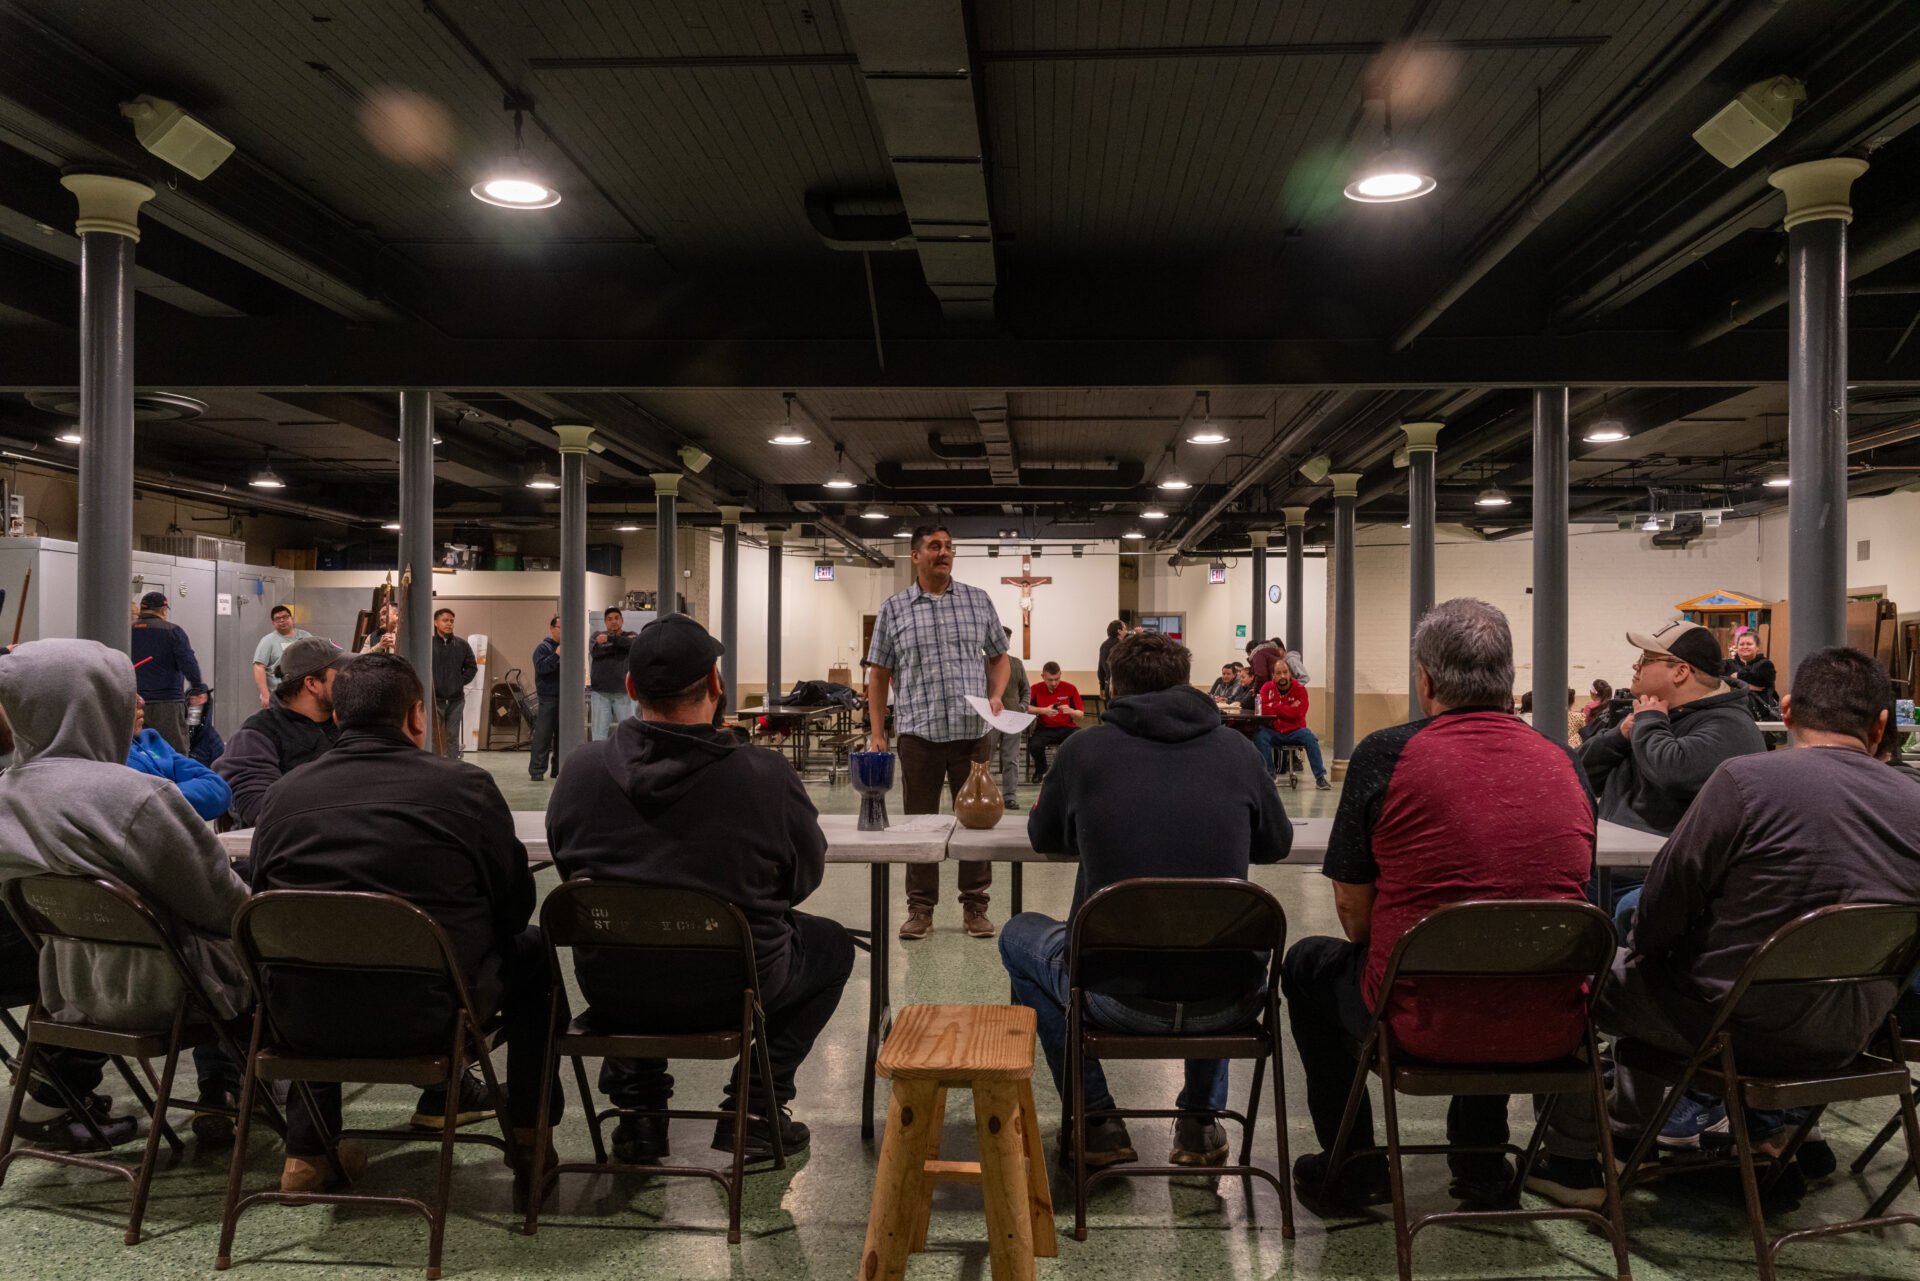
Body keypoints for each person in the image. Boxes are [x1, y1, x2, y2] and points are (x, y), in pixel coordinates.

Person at [1528, 646, 1920, 1207]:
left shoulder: (1743, 782)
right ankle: (1655, 1127)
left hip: (1724, 1027)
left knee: (1575, 972)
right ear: (1881, 725)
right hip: (1852, 1032)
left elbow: (1660, 912)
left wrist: (1653, 948)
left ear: (1785, 711)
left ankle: (1572, 1160)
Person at [1284, 598, 1596, 1215]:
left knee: (1307, 964)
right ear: (1508, 680)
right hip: (1551, 1024)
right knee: (1498, 950)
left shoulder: (1385, 755)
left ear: (1424, 680)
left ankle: (1356, 1167)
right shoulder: (1564, 762)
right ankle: (1481, 1164)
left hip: (1415, 1018)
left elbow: (1352, 909)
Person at [546, 614, 852, 1162]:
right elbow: (802, 881)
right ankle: (756, 1109)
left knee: (633, 936)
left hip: (615, 988)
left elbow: (571, 872)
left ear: (632, 689)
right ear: (716, 685)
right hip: (737, 988)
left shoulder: (580, 772)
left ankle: (640, 1116)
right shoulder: (765, 776)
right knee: (830, 946)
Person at [249, 652, 555, 1190]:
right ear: (418, 716)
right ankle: (529, 1137)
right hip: (434, 1014)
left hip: (304, 1021)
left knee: (307, 956)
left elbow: (267, 913)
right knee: (533, 951)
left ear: (338, 717)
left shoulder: (281, 797)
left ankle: (307, 1154)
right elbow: (513, 909)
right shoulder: (466, 788)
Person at [1005, 629, 1291, 1169]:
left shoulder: (1082, 750)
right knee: (1213, 930)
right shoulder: (1238, 750)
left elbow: (1045, 838)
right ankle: (1201, 1125)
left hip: (1114, 996)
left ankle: (1097, 1119)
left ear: (1112, 688)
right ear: (1187, 684)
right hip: (1229, 1001)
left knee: (1018, 936)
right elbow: (1276, 844)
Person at [0, 640, 251, 1147]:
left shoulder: (8, 791)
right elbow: (224, 907)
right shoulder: (132, 795)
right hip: (171, 990)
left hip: (68, 990)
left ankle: (53, 1092)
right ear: (101, 702)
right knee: (281, 949)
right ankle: (292, 1125)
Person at [866, 525, 1011, 941]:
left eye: (948, 546)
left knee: (976, 825)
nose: (943, 552)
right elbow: (878, 675)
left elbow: (1000, 658)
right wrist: (879, 732)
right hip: (919, 735)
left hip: (971, 733)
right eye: (934, 546)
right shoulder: (894, 609)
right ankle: (920, 908)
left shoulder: (977, 600)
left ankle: (976, 907)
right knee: (920, 825)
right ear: (915, 556)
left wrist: (997, 695)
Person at [1576, 619, 1765, 839]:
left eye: (1646, 659)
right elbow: (1577, 773)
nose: (1636, 666)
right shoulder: (1650, 716)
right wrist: (1617, 738)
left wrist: (1649, 723)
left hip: (1653, 869)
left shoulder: (1731, 726)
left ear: (1680, 672)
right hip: (1614, 859)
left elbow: (1674, 773)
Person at [213, 637, 347, 827]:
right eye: (341, 674)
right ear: (312, 684)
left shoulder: (346, 726)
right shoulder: (257, 735)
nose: (349, 681)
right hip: (292, 850)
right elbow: (261, 809)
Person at [127, 694, 232, 822]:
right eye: (129, 691)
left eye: (200, 697)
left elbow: (218, 787)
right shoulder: (102, 757)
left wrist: (157, 799)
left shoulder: (151, 740)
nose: (141, 701)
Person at [131, 591, 208, 754]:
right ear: (163, 610)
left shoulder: (127, 631)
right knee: (174, 750)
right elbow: (188, 663)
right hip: (167, 703)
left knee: (138, 750)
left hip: (135, 702)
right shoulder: (173, 631)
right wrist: (198, 688)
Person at [1252, 663, 1330, 789]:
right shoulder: (1267, 688)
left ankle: (1320, 778)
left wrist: (1275, 706)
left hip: (1296, 731)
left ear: (1290, 673)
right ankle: (1270, 775)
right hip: (1274, 731)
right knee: (1259, 736)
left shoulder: (1300, 690)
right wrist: (1287, 708)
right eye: (1278, 673)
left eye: (1285, 672)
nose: (1282, 676)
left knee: (1311, 739)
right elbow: (1262, 709)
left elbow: (1299, 712)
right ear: (1273, 675)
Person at [988, 627, 1030, 811]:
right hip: (989, 719)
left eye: (1006, 639)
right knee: (984, 760)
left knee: (1011, 759)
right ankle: (986, 796)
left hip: (1013, 717)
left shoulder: (1016, 664)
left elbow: (1026, 690)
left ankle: (1010, 797)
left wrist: (1022, 708)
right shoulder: (981, 662)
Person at [429, 608, 478, 760]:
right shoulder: (428, 644)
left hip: (456, 700)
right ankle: (431, 766)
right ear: (436, 623)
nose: (449, 624)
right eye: (445, 620)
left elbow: (471, 667)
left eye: (452, 621)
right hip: (435, 699)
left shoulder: (462, 645)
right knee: (432, 737)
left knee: (452, 736)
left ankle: (452, 768)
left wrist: (458, 682)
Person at [1028, 662, 1082, 785]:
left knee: (1080, 738)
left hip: (1067, 727)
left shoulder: (1070, 688)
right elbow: (1024, 708)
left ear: (1060, 675)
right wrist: (1043, 710)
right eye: (1050, 680)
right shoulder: (1035, 689)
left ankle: (1071, 771)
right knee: (1034, 745)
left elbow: (1081, 714)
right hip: (1045, 728)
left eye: (1056, 679)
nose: (1054, 683)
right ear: (1043, 677)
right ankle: (1041, 769)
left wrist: (1071, 711)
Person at [250, 605, 312, 709]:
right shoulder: (268, 641)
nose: (282, 621)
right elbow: (259, 666)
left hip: (302, 694)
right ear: (273, 623)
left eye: (285, 617)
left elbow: (316, 660)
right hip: (278, 696)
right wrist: (265, 695)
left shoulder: (306, 637)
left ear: (292, 618)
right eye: (278, 619)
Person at [589, 608, 635, 740]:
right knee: (599, 735)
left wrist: (609, 640)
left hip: (623, 692)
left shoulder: (631, 635)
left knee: (629, 734)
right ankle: (599, 761)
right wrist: (621, 645)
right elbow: (596, 652)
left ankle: (628, 760)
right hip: (600, 693)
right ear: (605, 622)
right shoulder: (595, 636)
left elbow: (634, 644)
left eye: (616, 618)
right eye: (609, 619)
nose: (613, 621)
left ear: (622, 620)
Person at [528, 615, 562, 782]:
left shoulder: (568, 647)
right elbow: (541, 668)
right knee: (543, 736)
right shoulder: (543, 648)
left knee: (562, 736)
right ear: (552, 628)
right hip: (548, 697)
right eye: (560, 627)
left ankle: (558, 769)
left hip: (565, 698)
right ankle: (537, 770)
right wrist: (556, 655)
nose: (563, 631)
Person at [1723, 629, 1778, 703]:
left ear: (1757, 647)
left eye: (1749, 644)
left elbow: (1763, 681)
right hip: (1734, 708)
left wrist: (1739, 676)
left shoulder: (1766, 664)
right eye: (1741, 644)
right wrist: (1747, 687)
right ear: (1737, 647)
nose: (1745, 647)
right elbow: (1716, 680)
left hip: (1760, 711)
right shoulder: (1728, 664)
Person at [1097, 620, 1125, 700]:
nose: (1126, 632)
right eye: (1125, 629)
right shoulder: (1123, 646)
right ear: (1119, 631)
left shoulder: (1104, 645)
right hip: (1120, 686)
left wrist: (1102, 686)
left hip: (1108, 684)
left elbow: (1100, 667)